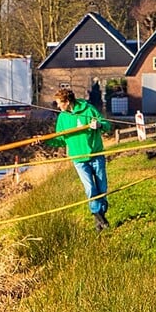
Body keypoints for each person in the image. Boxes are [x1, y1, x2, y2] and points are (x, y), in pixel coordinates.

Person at [52, 87, 113, 230]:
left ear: (67, 101)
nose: (58, 106)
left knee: (102, 188)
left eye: (59, 103)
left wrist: (99, 125)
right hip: (78, 159)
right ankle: (99, 216)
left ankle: (100, 220)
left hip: (95, 155)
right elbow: (60, 139)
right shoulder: (62, 117)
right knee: (90, 189)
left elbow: (107, 125)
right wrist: (43, 141)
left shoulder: (89, 110)